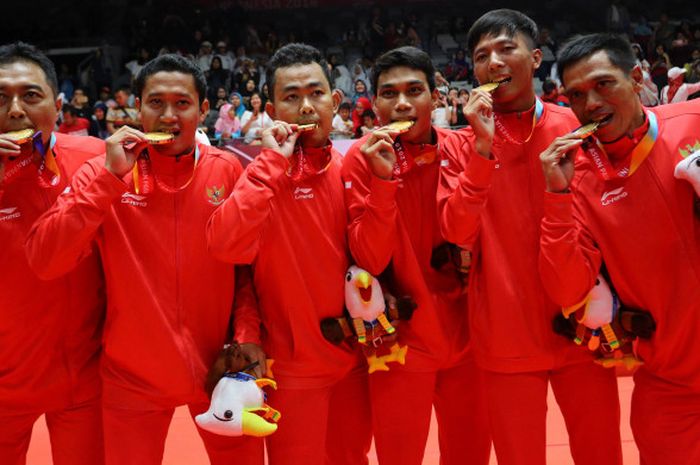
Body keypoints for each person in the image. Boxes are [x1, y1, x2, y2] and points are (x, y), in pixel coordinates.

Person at [26, 54, 265, 465]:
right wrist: (106, 181)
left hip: (222, 370)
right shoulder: (103, 172)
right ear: (137, 108)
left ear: (203, 110)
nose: (168, 115)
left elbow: (248, 271)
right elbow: (47, 259)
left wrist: (246, 335)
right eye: (156, 103)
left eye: (182, 103)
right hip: (130, 378)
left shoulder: (227, 171)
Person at [436, 11, 622, 465]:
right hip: (504, 334)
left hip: (583, 327)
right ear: (474, 72)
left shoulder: (578, 130)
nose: (494, 62)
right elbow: (456, 231)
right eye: (482, 57)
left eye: (506, 49)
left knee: (601, 454)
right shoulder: (461, 145)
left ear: (535, 57)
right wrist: (482, 151)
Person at [538, 32, 700, 465]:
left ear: (635, 76)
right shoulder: (579, 177)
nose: (590, 103)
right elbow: (567, 287)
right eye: (576, 95)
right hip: (672, 386)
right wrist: (556, 195)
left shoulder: (694, 120)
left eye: (603, 84)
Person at [207, 43, 372, 465]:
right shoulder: (258, 177)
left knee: (352, 457)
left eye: (316, 94)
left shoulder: (354, 167)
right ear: (272, 108)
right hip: (292, 371)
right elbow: (230, 254)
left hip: (357, 364)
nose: (305, 107)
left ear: (335, 102)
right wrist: (268, 166)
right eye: (291, 97)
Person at [341, 45, 491, 465]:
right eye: (389, 93)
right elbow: (369, 258)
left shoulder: (466, 146)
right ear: (374, 104)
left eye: (414, 90)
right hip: (400, 341)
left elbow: (465, 231)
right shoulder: (359, 159)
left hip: (469, 338)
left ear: (436, 97)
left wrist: (482, 155)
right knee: (399, 456)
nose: (402, 103)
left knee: (471, 454)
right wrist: (383, 182)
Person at [0, 41, 106, 465]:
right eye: (1, 98)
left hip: (84, 380)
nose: (15, 111)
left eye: (30, 95)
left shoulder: (96, 160)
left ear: (57, 105)